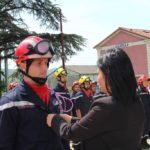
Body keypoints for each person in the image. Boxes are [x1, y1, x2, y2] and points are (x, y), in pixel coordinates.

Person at [47, 48, 145, 150]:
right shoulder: (136, 101)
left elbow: (72, 133)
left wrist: (54, 119)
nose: (97, 80)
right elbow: (99, 123)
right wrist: (71, 119)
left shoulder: (106, 105)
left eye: (98, 74)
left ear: (109, 75)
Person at [0, 36, 64, 150]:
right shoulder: (9, 104)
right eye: (39, 63)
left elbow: (63, 138)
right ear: (22, 64)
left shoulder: (54, 97)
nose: (44, 68)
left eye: (46, 62)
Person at [51, 67, 72, 150]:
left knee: (67, 143)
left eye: (65, 76)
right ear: (58, 78)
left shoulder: (66, 91)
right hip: (60, 122)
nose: (65, 78)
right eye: (63, 76)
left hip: (68, 120)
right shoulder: (54, 91)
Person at [137, 75, 150, 148]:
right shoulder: (137, 90)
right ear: (141, 82)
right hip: (142, 114)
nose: (147, 82)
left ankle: (145, 141)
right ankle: (140, 143)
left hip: (147, 113)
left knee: (146, 129)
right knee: (142, 129)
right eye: (146, 81)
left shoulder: (146, 90)